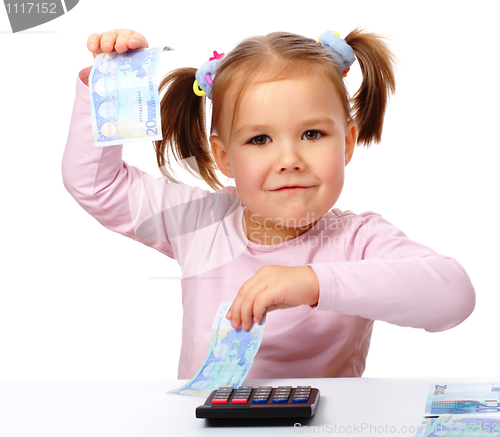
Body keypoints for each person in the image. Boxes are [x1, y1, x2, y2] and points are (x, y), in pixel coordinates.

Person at [62, 28, 475, 379]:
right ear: (225, 157)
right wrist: (109, 88)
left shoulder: (358, 240)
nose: (289, 160)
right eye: (259, 139)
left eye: (312, 134)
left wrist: (313, 283)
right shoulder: (201, 223)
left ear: (347, 143)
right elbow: (96, 185)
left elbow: (454, 296)